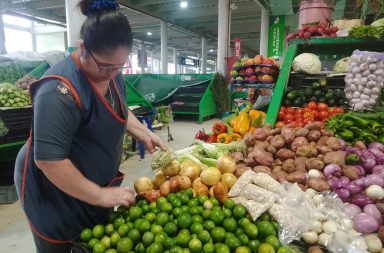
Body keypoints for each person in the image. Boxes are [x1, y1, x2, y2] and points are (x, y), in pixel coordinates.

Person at [13, 0, 166, 252]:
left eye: (120, 66)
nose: (112, 73)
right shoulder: (58, 90)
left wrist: (143, 132)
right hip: (52, 187)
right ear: (82, 48)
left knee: (91, 240)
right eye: (105, 66)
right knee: (66, 242)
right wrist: (99, 195)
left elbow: (116, 107)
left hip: (88, 174)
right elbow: (49, 160)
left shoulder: (112, 73)